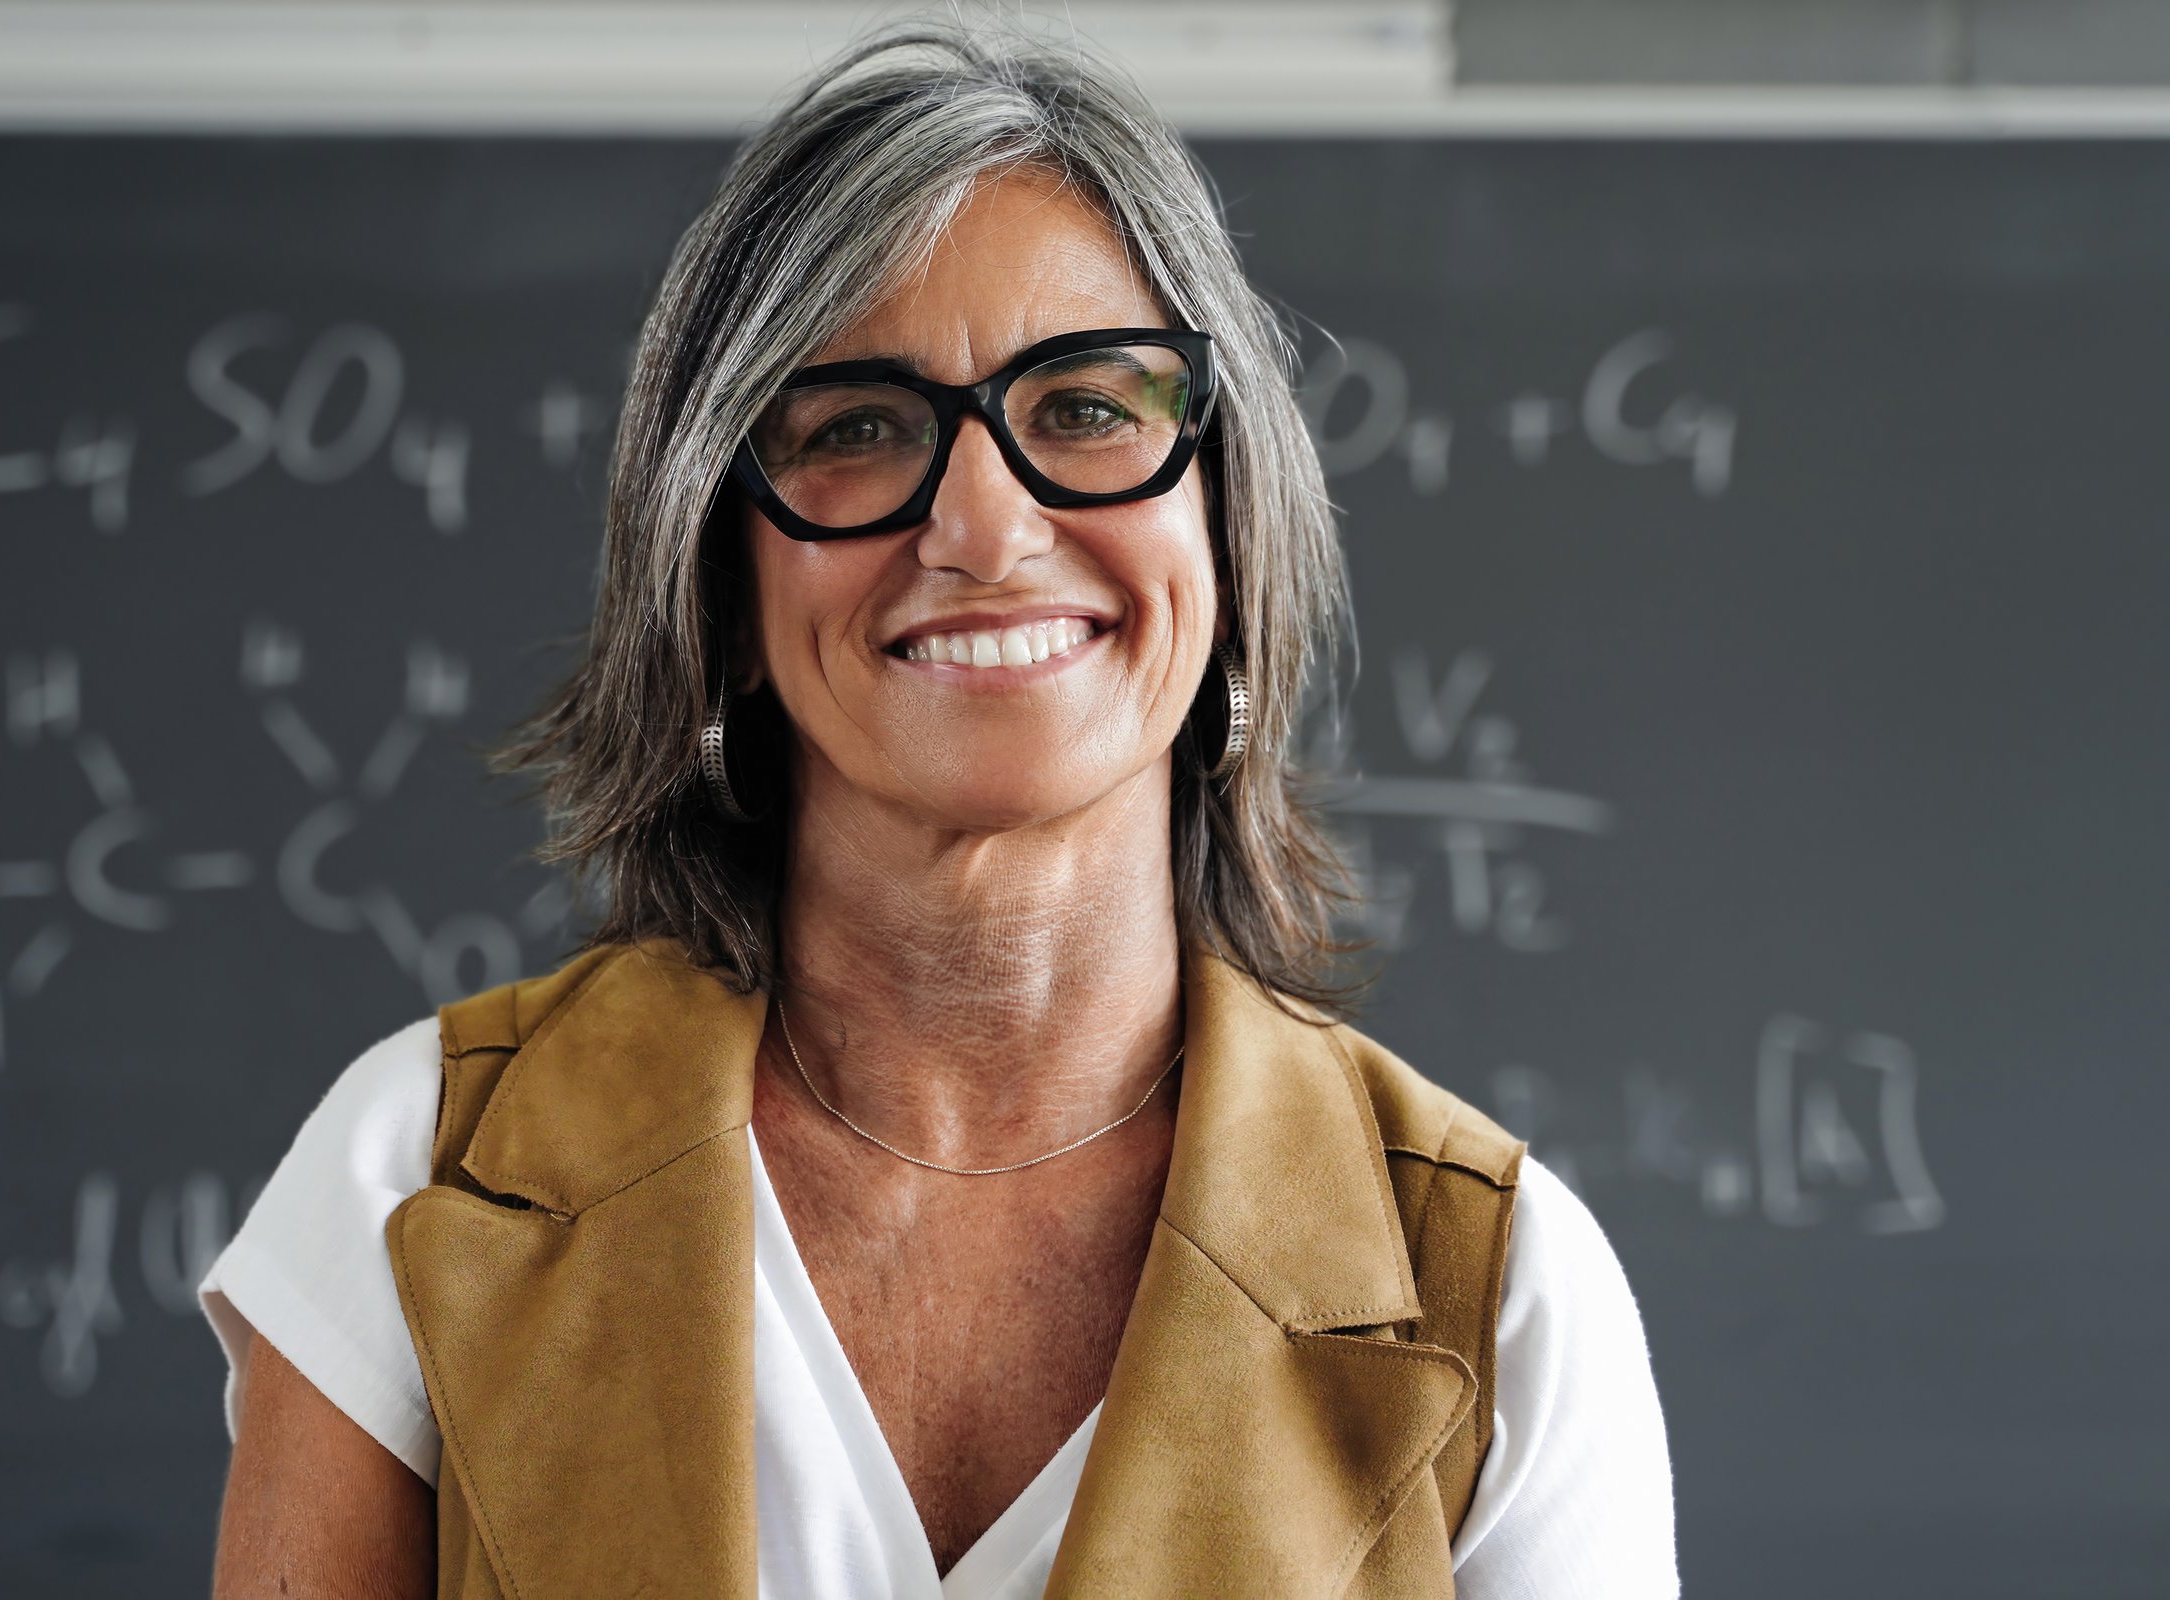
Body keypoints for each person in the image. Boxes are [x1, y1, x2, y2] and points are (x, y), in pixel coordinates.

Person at [201, 17, 1678, 1598]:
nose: (984, 524)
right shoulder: (416, 1182)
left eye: (1088, 408)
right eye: (856, 426)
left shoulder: (1502, 1297)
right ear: (722, 581)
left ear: (1228, 528)